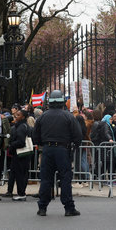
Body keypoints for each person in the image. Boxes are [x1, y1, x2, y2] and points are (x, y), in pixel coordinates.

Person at [32, 89, 82, 217]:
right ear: (62, 102)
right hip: (62, 150)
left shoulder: (42, 116)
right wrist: (74, 146)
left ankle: (42, 207)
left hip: (47, 150)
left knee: (46, 179)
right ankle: (69, 207)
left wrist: (43, 144)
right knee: (65, 178)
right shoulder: (69, 116)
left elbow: (35, 136)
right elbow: (78, 136)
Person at [7, 109, 32, 201]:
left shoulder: (21, 127)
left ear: (23, 117)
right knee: (20, 173)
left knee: (20, 174)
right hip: (22, 154)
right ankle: (20, 192)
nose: (16, 116)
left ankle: (21, 193)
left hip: (20, 154)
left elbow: (21, 142)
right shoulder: (24, 126)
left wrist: (11, 145)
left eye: (18, 115)